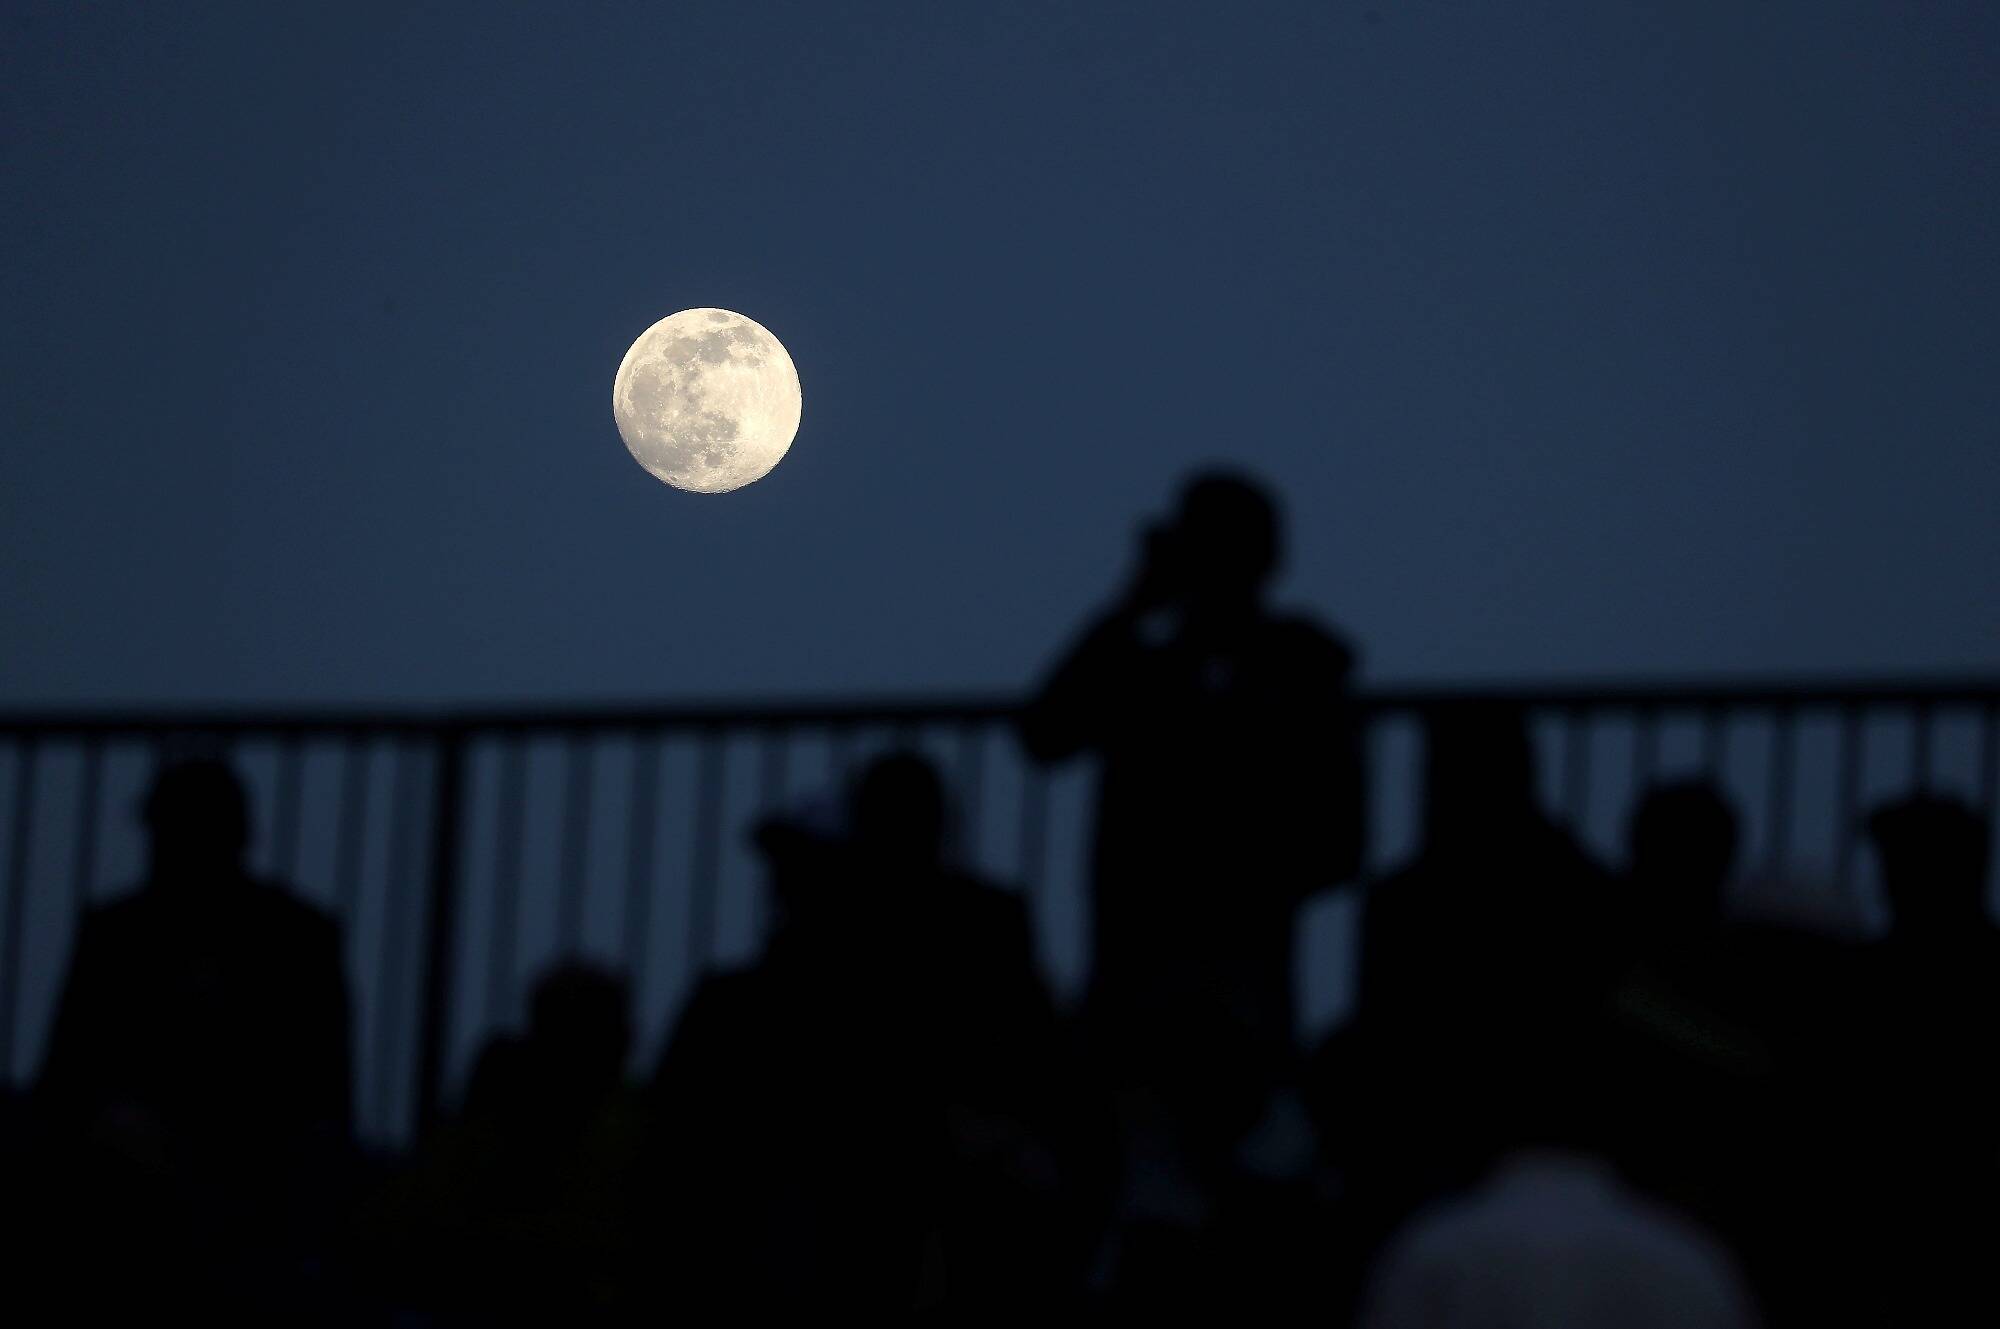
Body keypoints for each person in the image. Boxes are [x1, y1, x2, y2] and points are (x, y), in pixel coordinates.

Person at [1018, 470, 1365, 1127]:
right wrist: (1127, 607)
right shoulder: (1147, 669)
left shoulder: (1302, 667)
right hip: (1146, 971)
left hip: (1231, 966)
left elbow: (1338, 839)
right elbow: (1044, 733)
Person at [34, 756, 352, 1314]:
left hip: (248, 1165)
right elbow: (66, 1077)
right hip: (141, 1168)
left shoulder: (293, 938)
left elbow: (322, 1087)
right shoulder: (123, 933)